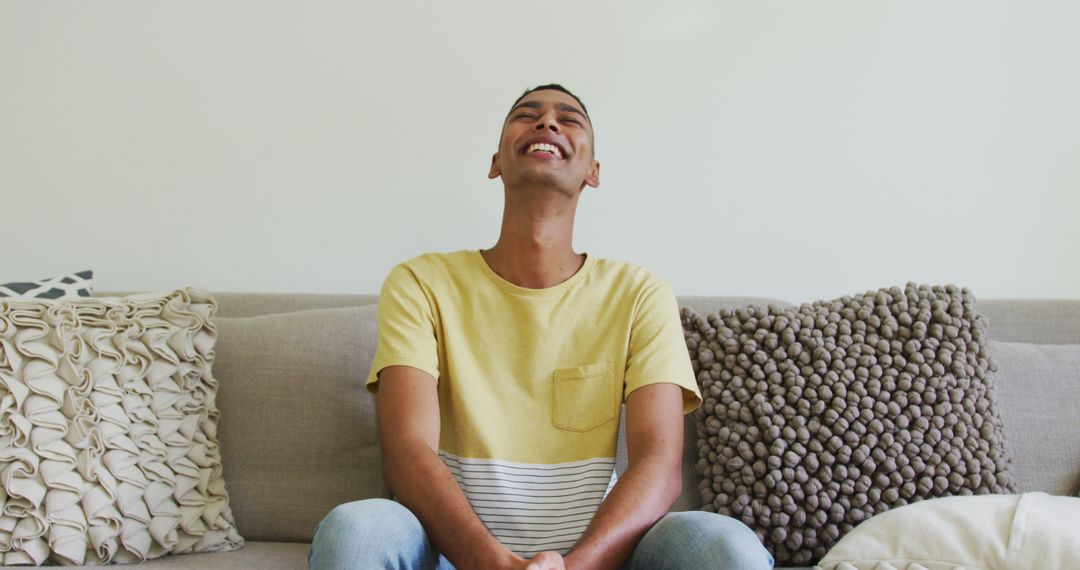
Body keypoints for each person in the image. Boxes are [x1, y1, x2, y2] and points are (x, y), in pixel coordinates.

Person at [308, 85, 773, 569]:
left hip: (599, 560)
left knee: (728, 546)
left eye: (568, 119)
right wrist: (492, 563)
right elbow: (406, 449)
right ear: (495, 162)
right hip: (453, 558)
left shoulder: (639, 293)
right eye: (527, 115)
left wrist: (575, 567)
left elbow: (658, 461)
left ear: (593, 172)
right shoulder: (421, 283)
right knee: (356, 531)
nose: (547, 123)